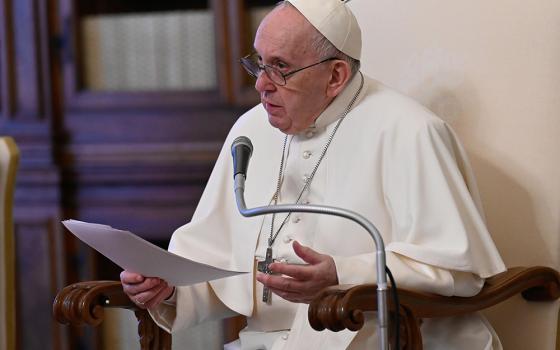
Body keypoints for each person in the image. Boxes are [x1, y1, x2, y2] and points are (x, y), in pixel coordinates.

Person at [120, 0, 506, 349]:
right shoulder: (250, 129)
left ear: (336, 75)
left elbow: (457, 269)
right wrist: (168, 287)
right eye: (258, 63)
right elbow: (214, 258)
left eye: (280, 68)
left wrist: (343, 273)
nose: (260, 84)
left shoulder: (410, 131)